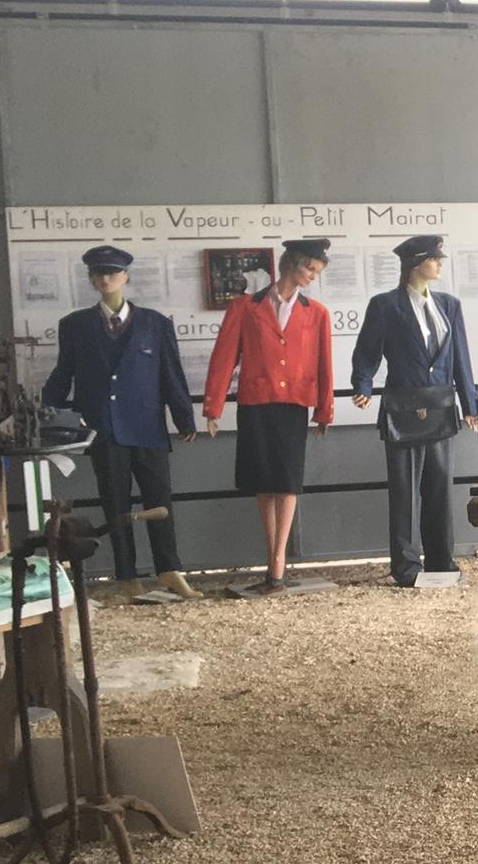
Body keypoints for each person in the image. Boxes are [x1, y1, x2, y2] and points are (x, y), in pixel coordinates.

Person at [41, 244, 199, 597]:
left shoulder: (155, 324)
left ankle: (169, 570)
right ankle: (127, 576)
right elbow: (63, 374)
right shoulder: (75, 326)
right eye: (98, 274)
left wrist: (184, 417)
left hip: (147, 427)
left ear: (125, 276)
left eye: (112, 272)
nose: (105, 279)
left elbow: (171, 374)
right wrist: (50, 414)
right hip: (103, 429)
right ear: (91, 279)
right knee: (115, 504)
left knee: (160, 501)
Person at [203, 239, 334, 593]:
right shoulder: (245, 307)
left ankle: (277, 564)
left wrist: (324, 410)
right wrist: (213, 407)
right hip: (256, 403)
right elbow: (224, 357)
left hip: (294, 405)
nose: (312, 277)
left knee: (288, 481)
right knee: (263, 481)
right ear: (291, 263)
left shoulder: (317, 313)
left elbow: (324, 364)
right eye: (309, 268)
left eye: (317, 272)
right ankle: (273, 561)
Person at [350, 234, 478, 589]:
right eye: (434, 259)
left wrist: (470, 404)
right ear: (416, 263)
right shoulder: (385, 305)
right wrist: (362, 386)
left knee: (440, 487)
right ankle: (406, 566)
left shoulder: (449, 305)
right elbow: (367, 352)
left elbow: (460, 357)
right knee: (405, 490)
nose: (439, 264)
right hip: (403, 410)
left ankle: (441, 561)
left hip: (440, 407)